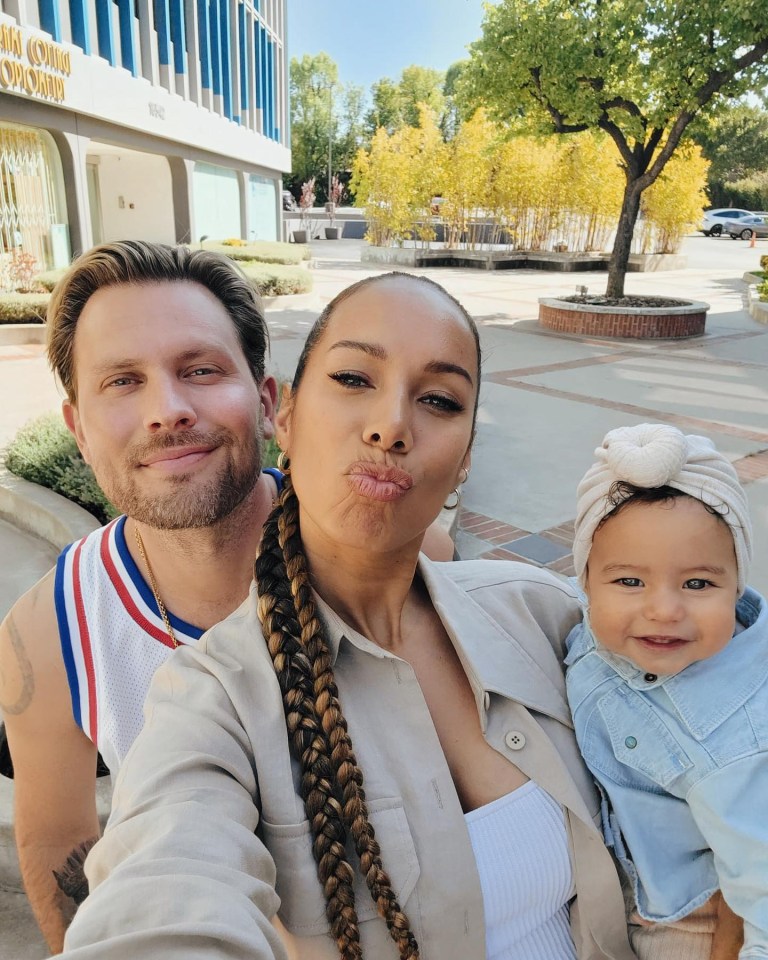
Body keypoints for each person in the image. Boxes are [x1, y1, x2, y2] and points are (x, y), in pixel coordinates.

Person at [60, 272, 635, 960]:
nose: (392, 425)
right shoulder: (214, 701)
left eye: (438, 399)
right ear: (288, 419)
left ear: (465, 460)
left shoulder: (541, 612)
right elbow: (165, 884)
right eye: (355, 380)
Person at [0, 241, 455, 953]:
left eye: (201, 370)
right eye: (122, 382)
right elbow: (64, 854)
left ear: (269, 402)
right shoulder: (50, 634)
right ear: (79, 430)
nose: (167, 410)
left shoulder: (396, 555)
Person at [565, 423, 765, 960]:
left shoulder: (736, 742)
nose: (664, 610)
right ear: (586, 581)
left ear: (736, 584)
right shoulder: (599, 626)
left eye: (698, 584)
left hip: (687, 923)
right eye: (630, 581)